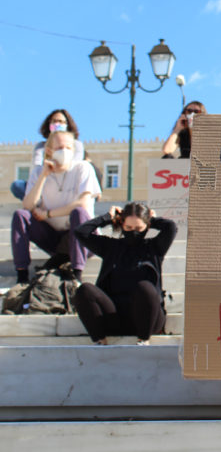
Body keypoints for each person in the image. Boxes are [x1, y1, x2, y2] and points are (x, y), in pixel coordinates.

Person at [73, 202, 177, 345]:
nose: (133, 232)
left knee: (145, 287)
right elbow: (81, 232)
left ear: (147, 226)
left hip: (148, 319)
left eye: (139, 228)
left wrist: (151, 219)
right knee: (84, 289)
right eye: (129, 227)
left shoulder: (155, 247)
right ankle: (100, 341)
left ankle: (143, 340)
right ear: (122, 224)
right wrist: (107, 217)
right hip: (115, 317)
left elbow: (171, 227)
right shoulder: (111, 247)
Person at [11, 131, 101, 284]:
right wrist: (43, 175)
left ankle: (77, 273)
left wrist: (48, 214)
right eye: (59, 147)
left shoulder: (83, 168)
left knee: (79, 212)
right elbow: (28, 205)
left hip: (83, 239)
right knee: (20, 215)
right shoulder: (38, 172)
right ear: (49, 150)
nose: (64, 151)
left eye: (68, 147)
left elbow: (83, 204)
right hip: (54, 239)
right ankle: (22, 275)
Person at [10, 109, 84, 200]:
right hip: (45, 181)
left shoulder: (76, 145)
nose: (57, 124)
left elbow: (75, 165)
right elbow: (36, 167)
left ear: (67, 125)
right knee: (17, 185)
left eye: (61, 121)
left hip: (67, 182)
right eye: (54, 121)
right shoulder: (41, 146)